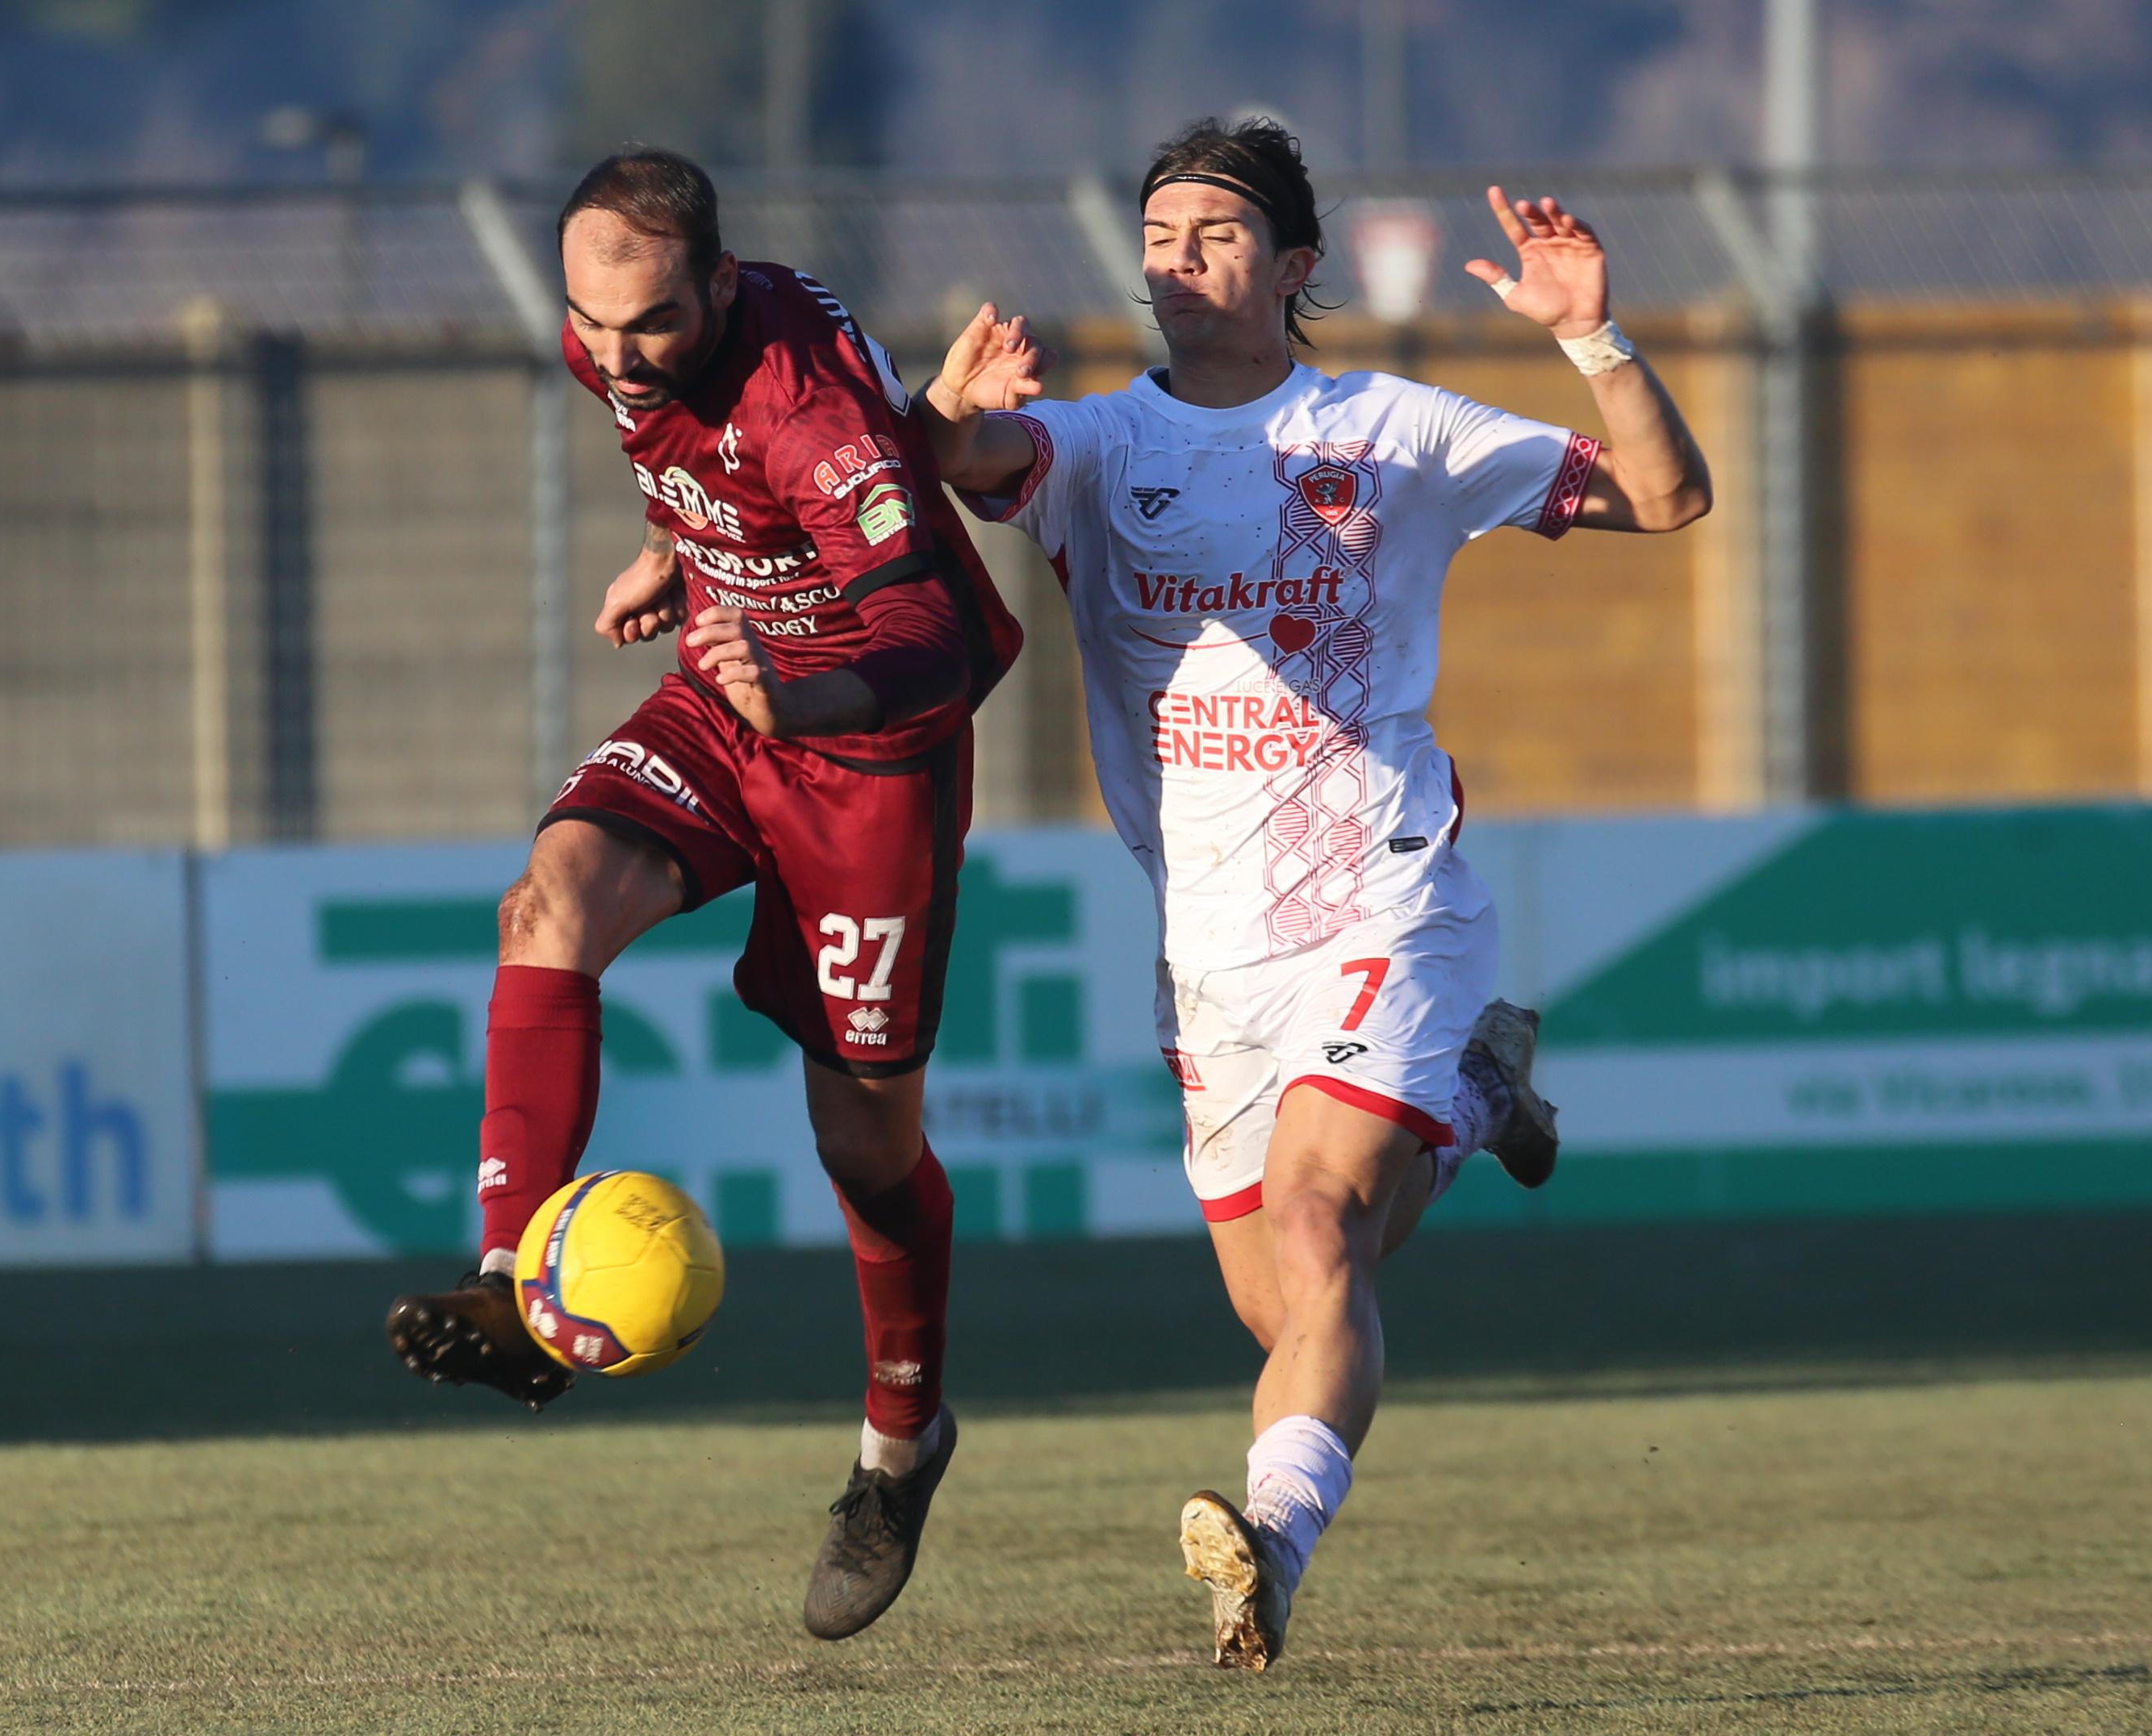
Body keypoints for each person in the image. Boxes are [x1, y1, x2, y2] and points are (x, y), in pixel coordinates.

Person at [916, 118, 1711, 1670]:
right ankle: (1481, 1094)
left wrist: (1591, 335)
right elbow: (957, 462)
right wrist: (942, 410)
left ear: (1292, 270)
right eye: (1158, 237)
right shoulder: (1098, 446)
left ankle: (1272, 1542)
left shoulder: (1392, 429)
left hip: (1381, 896)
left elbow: (1666, 499)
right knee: (1287, 1306)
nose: (1179, 260)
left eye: (1214, 234)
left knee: (1319, 1223)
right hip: (1208, 947)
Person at [385, 147, 1024, 1643]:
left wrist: (813, 700)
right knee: (548, 904)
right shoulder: (613, 330)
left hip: (871, 749)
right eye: (590, 323)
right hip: (729, 702)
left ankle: (898, 1445)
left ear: (720, 288)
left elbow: (930, 618)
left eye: (651, 326)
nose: (614, 354)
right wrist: (681, 547)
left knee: (866, 1146)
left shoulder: (807, 409)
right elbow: (696, 449)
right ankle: (510, 1281)